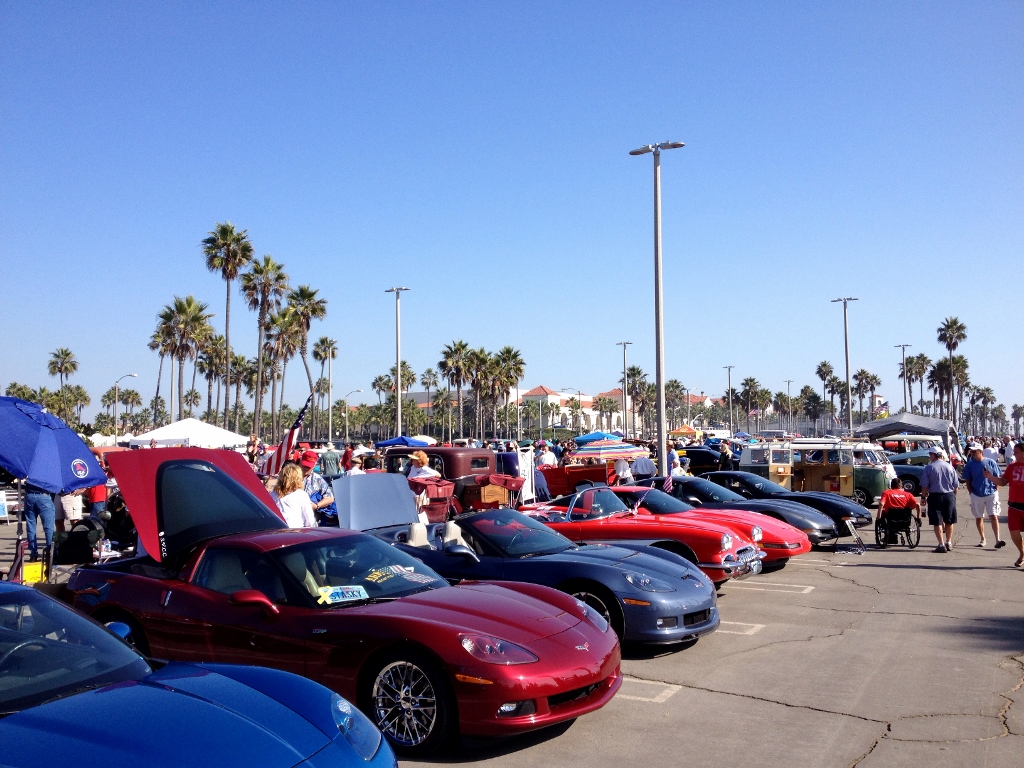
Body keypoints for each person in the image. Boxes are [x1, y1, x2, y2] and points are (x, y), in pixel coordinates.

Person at [984, 442, 1024, 567]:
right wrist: (990, 477)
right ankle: (1022, 553)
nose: (1014, 454)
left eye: (1016, 452)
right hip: (1014, 506)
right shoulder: (1012, 467)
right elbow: (1002, 482)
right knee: (1014, 533)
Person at [962, 443, 1005, 549]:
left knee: (993, 515)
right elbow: (968, 480)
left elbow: (997, 476)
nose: (972, 454)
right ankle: (983, 538)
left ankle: (997, 539)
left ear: (980, 451)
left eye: (974, 452)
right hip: (976, 494)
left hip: (991, 493)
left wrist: (996, 490)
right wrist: (971, 492)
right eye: (971, 452)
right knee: (979, 517)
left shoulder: (990, 462)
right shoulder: (970, 465)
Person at [920, 446, 960, 553]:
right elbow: (956, 485)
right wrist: (953, 497)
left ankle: (941, 544)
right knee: (949, 520)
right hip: (949, 495)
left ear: (933, 455)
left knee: (937, 521)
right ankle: (949, 542)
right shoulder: (949, 467)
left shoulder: (929, 468)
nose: (930, 457)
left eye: (930, 455)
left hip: (935, 496)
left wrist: (923, 497)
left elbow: (924, 485)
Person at [299, 450, 336, 526]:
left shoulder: (317, 479)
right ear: (300, 462)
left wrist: (316, 506)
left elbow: (330, 498)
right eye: (304, 465)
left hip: (310, 521)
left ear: (314, 465)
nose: (306, 468)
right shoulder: (290, 477)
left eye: (308, 466)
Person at [23, 482, 56, 561]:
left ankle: (33, 554)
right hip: (43, 495)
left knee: (31, 527)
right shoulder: (48, 470)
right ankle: (50, 553)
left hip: (29, 495)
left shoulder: (31, 469)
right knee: (48, 528)